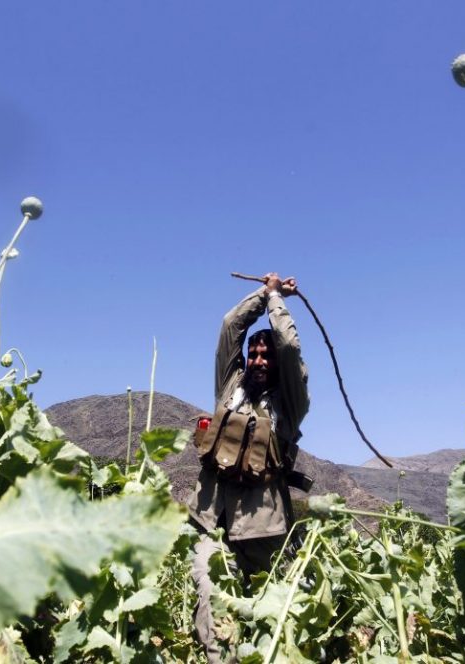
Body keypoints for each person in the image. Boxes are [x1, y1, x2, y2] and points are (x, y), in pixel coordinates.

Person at [187, 272, 310, 663]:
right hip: (212, 518)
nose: (257, 360)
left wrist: (277, 302)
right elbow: (230, 326)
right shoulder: (230, 387)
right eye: (253, 354)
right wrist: (263, 293)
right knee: (210, 598)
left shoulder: (290, 402)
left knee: (273, 611)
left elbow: (289, 345)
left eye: (265, 356)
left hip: (264, 527)